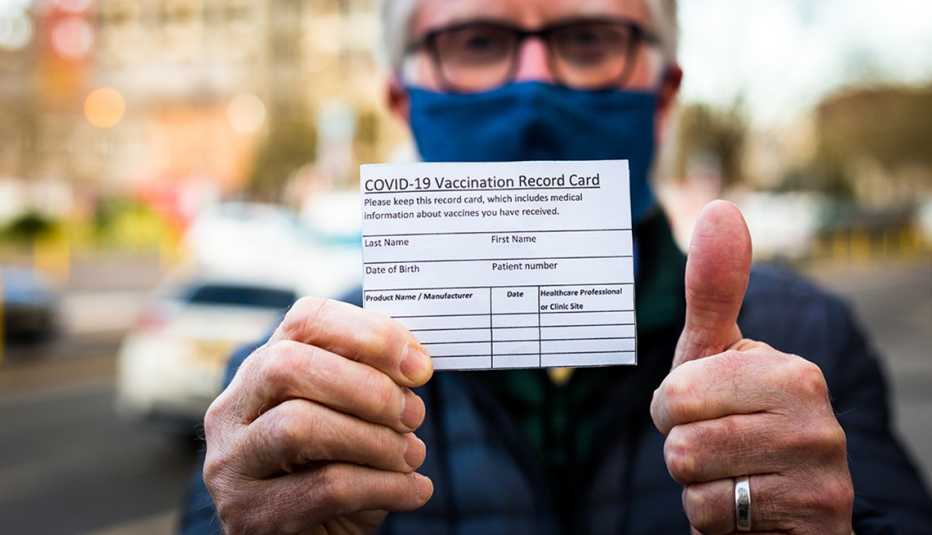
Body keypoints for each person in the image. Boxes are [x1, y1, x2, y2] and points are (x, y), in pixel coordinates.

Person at [181, 0, 932, 533]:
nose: (535, 87)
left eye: (591, 36)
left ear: (663, 99)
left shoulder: (812, 345)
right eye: (475, 40)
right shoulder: (286, 382)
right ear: (402, 100)